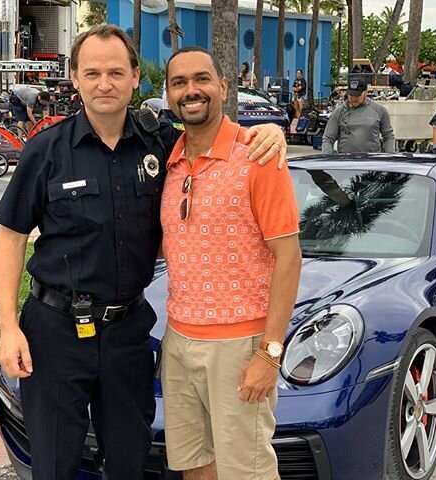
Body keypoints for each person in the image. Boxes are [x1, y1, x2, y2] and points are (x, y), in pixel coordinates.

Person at [0, 25, 288, 480]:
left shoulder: (162, 144)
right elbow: (10, 238)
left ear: (135, 78)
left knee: (130, 462)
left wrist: (268, 132)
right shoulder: (46, 150)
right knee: (53, 464)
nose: (104, 83)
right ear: (75, 78)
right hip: (55, 334)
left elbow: (213, 138)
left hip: (127, 334)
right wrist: (8, 327)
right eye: (92, 73)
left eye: (115, 71)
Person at [161, 45, 302, 480]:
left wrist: (270, 353)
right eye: (179, 82)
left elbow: (289, 257)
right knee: (195, 464)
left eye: (201, 79)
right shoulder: (170, 159)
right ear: (168, 95)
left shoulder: (256, 156)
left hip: (239, 346)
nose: (191, 90)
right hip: (178, 339)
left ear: (222, 86)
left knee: (249, 472)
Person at [322, 75, 396, 154]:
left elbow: (388, 136)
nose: (353, 98)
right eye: (351, 95)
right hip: (346, 161)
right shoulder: (339, 112)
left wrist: (390, 157)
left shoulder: (379, 111)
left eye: (357, 95)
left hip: (371, 161)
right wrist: (327, 159)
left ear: (366, 92)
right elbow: (328, 138)